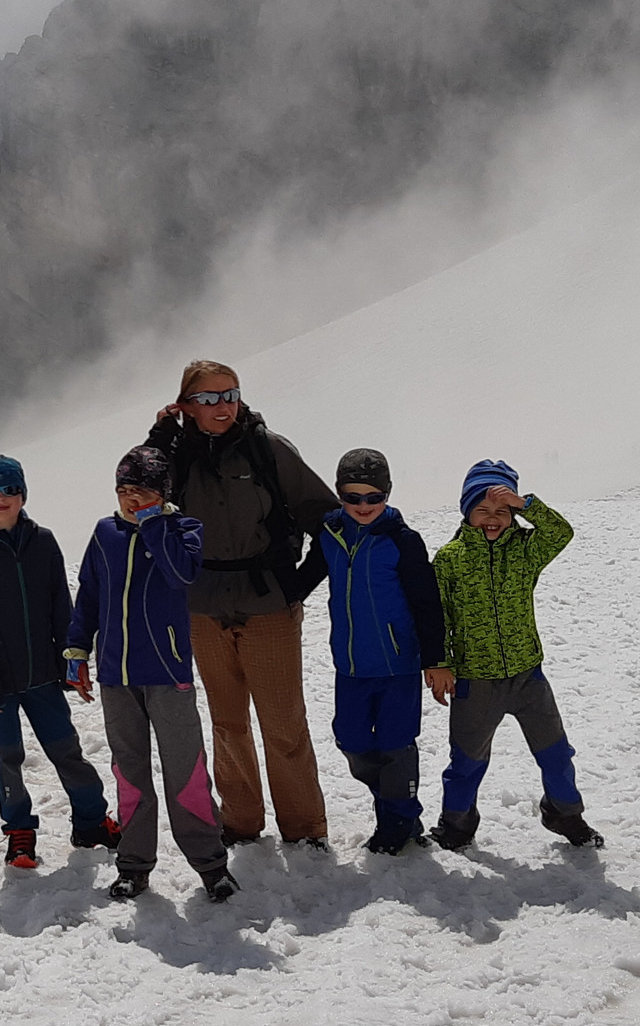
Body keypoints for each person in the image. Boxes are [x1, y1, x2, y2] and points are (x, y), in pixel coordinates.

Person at [144, 361, 341, 849]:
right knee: (227, 722)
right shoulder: (175, 456)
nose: (223, 406)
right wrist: (158, 439)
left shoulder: (268, 449)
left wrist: (298, 585)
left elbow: (327, 518)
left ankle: (304, 828)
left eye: (230, 394)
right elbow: (137, 497)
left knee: (283, 723)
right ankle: (241, 821)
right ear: (186, 405)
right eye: (208, 398)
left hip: (268, 604)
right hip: (203, 607)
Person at [63, 445, 239, 904]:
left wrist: (155, 523)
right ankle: (134, 865)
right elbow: (89, 595)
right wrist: (77, 650)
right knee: (129, 773)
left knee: (186, 772)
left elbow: (182, 574)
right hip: (116, 677)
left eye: (141, 490)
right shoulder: (105, 533)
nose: (131, 498)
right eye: (123, 490)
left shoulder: (184, 530)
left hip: (167, 673)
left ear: (162, 494)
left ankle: (211, 865)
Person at [431, 460, 599, 851]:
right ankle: (457, 823)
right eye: (483, 510)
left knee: (556, 753)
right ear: (467, 512)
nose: (492, 519)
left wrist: (526, 504)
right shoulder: (450, 558)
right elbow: (438, 616)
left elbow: (561, 532)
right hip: (475, 681)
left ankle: (564, 813)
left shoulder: (525, 551)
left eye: (502, 511)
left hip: (527, 677)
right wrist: (440, 663)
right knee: (467, 760)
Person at [0, 453, 110, 870]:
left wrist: (72, 661)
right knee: (7, 756)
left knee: (67, 749)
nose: (0, 498)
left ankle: (91, 822)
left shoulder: (43, 542)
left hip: (43, 674)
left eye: (10, 489)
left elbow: (61, 606)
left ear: (23, 495)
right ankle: (19, 833)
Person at [312, 447, 449, 854]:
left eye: (374, 497)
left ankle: (398, 822)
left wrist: (436, 660)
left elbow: (427, 603)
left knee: (396, 745)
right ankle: (394, 803)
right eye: (352, 497)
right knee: (351, 741)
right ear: (339, 494)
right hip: (351, 665)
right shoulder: (331, 534)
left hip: (397, 665)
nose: (363, 505)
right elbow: (306, 577)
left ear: (387, 494)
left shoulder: (402, 541)